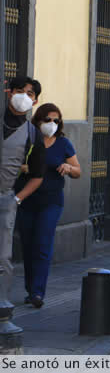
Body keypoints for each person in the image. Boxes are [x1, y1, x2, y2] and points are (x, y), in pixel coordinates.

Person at [15, 103, 80, 308]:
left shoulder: (63, 144)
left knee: (42, 244)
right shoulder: (28, 140)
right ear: (38, 120)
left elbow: (78, 171)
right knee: (27, 245)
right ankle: (30, 289)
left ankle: (37, 292)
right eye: (47, 120)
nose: (51, 124)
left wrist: (69, 168)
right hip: (26, 200)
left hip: (51, 201)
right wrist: (22, 167)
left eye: (56, 120)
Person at [0, 76, 46, 316]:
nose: (23, 97)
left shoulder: (32, 134)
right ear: (9, 93)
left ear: (35, 101)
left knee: (2, 257)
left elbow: (38, 175)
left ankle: (1, 305)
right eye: (19, 91)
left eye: (29, 94)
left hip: (5, 198)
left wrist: (16, 200)